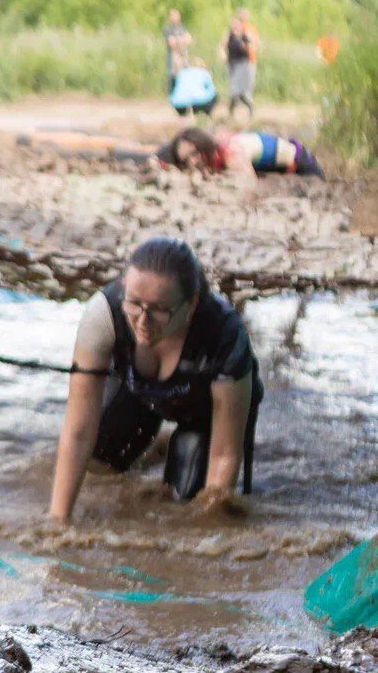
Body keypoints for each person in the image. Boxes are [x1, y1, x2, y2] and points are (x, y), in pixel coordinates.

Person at [49, 238, 263, 522]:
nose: (143, 321)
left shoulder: (225, 336)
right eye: (134, 304)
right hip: (139, 393)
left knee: (190, 501)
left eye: (160, 310)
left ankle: (174, 445)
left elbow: (224, 456)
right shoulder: (103, 313)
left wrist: (207, 531)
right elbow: (77, 433)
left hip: (206, 413)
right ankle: (156, 446)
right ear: (124, 288)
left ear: (190, 305)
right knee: (97, 465)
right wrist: (58, 521)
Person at [156, 127, 324, 180]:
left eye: (194, 153)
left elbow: (250, 184)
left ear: (203, 145)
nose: (193, 161)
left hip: (304, 165)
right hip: (278, 168)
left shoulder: (230, 154)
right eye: (186, 159)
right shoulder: (215, 152)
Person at [220, 11, 258, 119]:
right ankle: (231, 112)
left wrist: (245, 46)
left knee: (242, 92)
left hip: (244, 64)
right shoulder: (228, 35)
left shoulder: (245, 35)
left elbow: (253, 46)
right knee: (233, 91)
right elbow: (222, 46)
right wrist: (222, 54)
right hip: (232, 64)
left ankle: (250, 109)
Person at [163, 9, 192, 92]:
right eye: (173, 16)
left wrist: (178, 41)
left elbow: (189, 40)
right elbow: (171, 42)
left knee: (185, 74)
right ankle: (172, 94)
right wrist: (182, 40)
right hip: (173, 56)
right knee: (172, 76)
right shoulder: (168, 28)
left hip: (183, 56)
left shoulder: (182, 28)